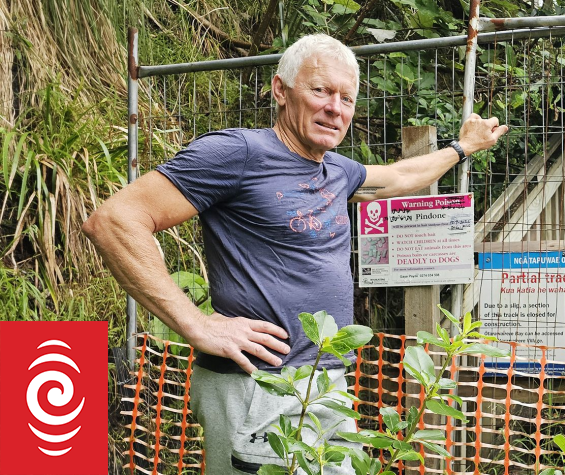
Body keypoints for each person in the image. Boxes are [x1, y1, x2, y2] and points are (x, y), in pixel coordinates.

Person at [83, 33, 508, 475]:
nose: (334, 108)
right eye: (320, 90)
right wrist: (196, 324)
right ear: (281, 90)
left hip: (326, 384)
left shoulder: (337, 171)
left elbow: (400, 177)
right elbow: (115, 220)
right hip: (258, 387)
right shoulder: (238, 153)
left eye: (346, 98)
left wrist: (464, 148)